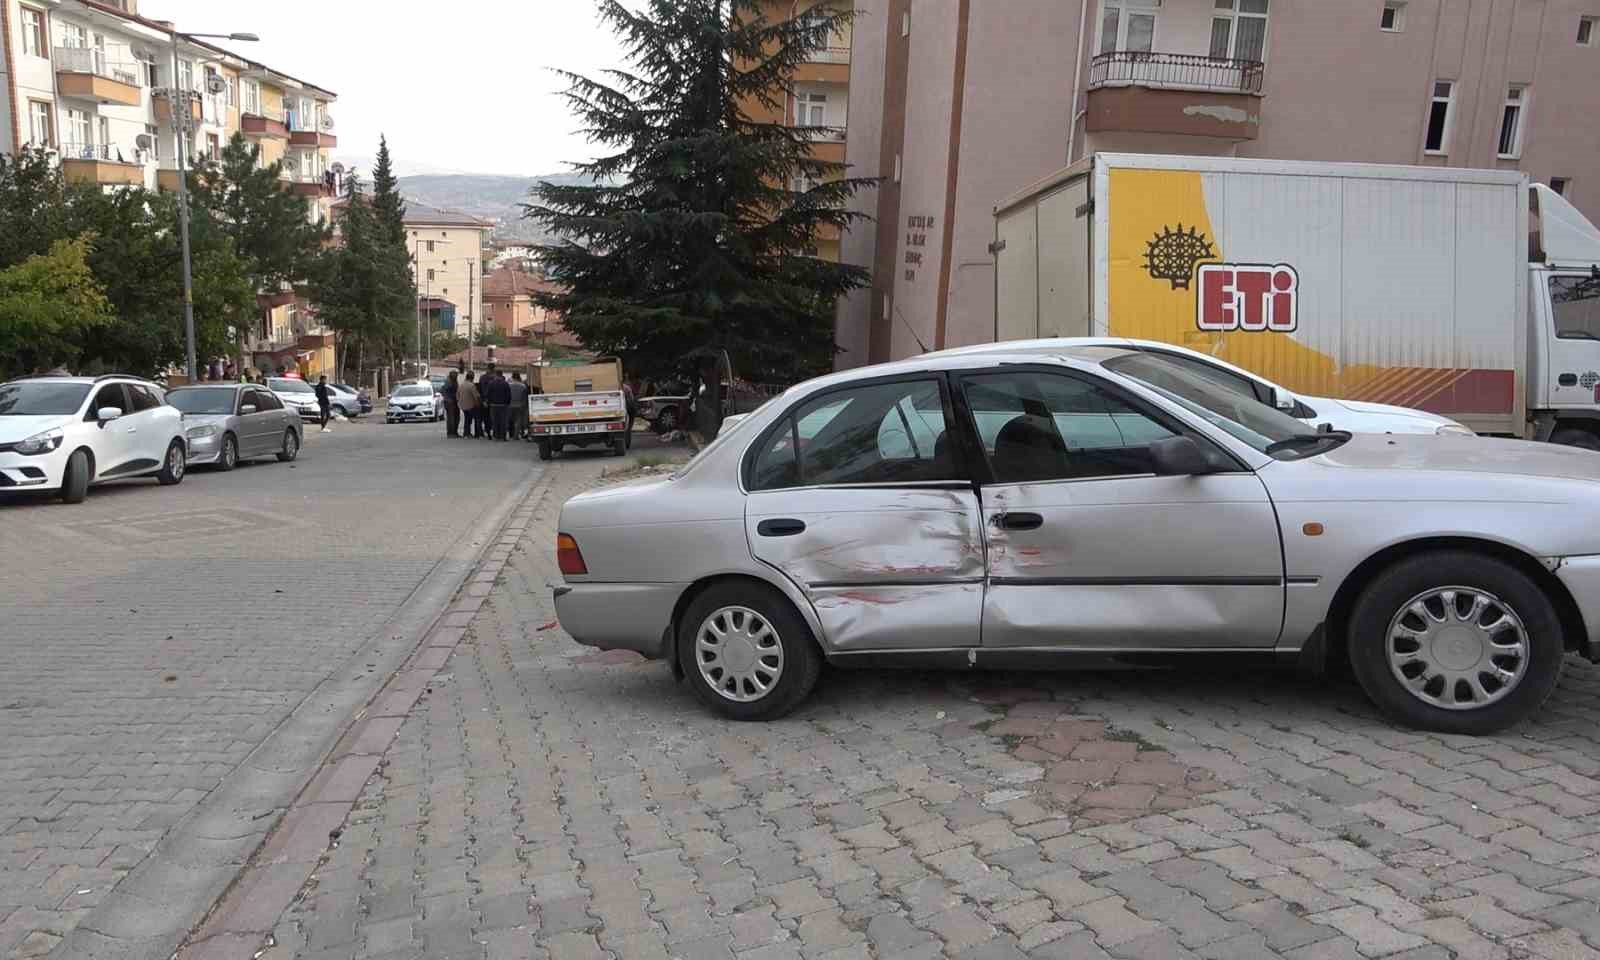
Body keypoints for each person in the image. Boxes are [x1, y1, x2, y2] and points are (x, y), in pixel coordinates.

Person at [485, 365, 512, 441]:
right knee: (503, 421)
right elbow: (508, 395)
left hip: (493, 405)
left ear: (496, 374)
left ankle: (496, 436)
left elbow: (488, 394)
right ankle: (503, 436)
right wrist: (507, 403)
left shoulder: (491, 383)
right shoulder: (505, 383)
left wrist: (489, 402)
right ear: (502, 374)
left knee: (495, 421)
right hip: (503, 405)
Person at [508, 371, 530, 441]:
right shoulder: (523, 386)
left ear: (512, 377)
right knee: (518, 421)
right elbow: (524, 397)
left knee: (510, 420)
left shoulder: (509, 385)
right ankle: (516, 436)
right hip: (519, 405)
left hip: (510, 404)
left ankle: (510, 434)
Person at [459, 371, 481, 438]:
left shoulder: (461, 385)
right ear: (472, 377)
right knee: (476, 419)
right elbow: (476, 396)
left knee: (467, 419)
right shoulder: (472, 385)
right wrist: (478, 404)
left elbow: (457, 395)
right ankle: (477, 434)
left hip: (463, 406)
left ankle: (466, 433)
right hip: (471, 406)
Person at [443, 370, 461, 438]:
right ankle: (451, 433)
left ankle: (455, 432)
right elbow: (445, 390)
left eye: (457, 374)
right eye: (455, 374)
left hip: (454, 401)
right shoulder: (449, 381)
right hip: (450, 402)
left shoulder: (454, 381)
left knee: (456, 417)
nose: (456, 375)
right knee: (451, 418)